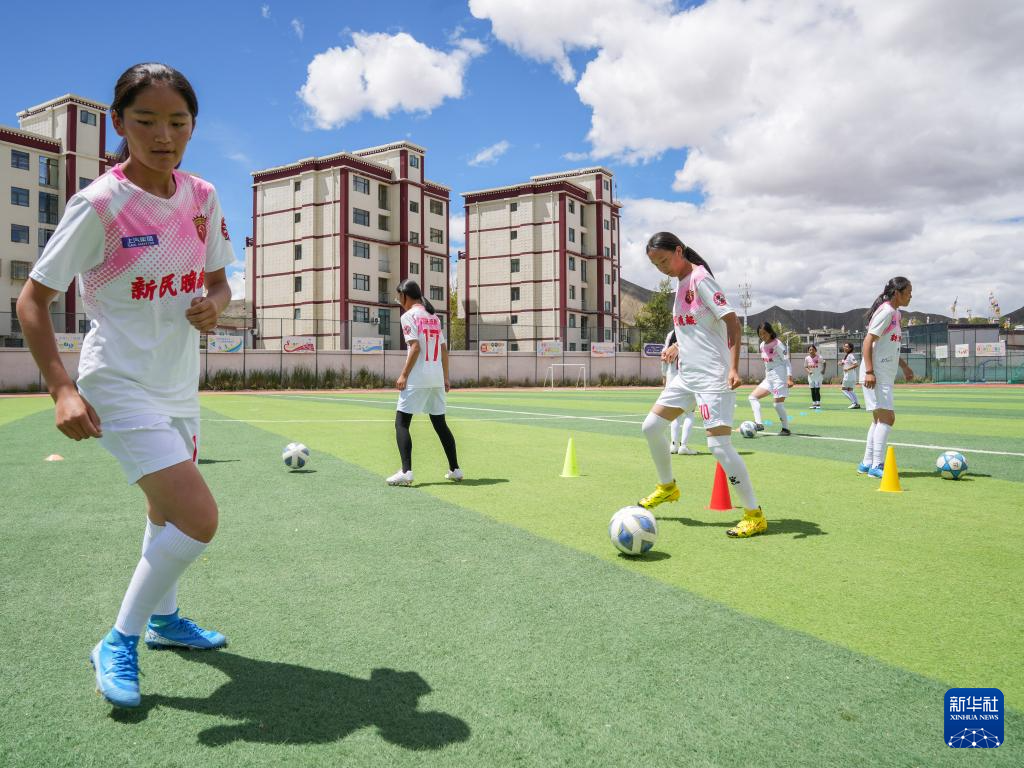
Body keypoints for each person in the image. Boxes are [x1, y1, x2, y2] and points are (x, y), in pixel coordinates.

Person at [15, 63, 235, 708]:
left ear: (193, 126)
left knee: (164, 513)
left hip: (177, 385)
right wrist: (60, 387)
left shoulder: (202, 196)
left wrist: (216, 304)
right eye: (146, 121)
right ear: (119, 123)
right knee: (198, 518)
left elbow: (220, 279)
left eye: (178, 122)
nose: (163, 135)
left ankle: (165, 621)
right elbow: (34, 300)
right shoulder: (101, 204)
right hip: (115, 380)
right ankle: (119, 639)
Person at [637, 232, 766, 538]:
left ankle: (754, 514)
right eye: (656, 265)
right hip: (687, 375)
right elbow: (698, 328)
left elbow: (731, 321)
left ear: (679, 251)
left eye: (665, 260)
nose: (662, 269)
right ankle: (667, 487)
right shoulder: (681, 284)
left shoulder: (700, 279)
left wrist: (734, 368)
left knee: (718, 446)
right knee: (651, 427)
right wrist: (678, 347)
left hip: (712, 376)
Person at [386, 279, 463, 486]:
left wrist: (403, 375)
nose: (398, 301)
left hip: (418, 378)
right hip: (436, 377)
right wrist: (446, 377)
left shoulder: (408, 316)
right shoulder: (434, 317)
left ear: (404, 295)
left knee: (401, 423)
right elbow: (444, 350)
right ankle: (455, 469)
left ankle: (406, 471)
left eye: (398, 297)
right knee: (440, 424)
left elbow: (415, 347)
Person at [858, 277, 915, 478]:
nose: (911, 295)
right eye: (908, 291)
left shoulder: (896, 314)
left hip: (882, 373)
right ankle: (877, 466)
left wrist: (905, 367)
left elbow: (889, 346)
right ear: (897, 293)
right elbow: (867, 342)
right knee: (888, 418)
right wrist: (870, 372)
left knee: (878, 419)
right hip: (877, 373)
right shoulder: (887, 312)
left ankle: (866, 463)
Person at [748, 322, 795, 435]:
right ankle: (758, 424)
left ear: (770, 332)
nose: (762, 336)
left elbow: (787, 362)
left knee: (777, 404)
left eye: (764, 333)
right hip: (769, 377)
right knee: (752, 397)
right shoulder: (761, 345)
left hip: (780, 376)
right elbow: (767, 364)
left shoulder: (777, 344)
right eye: (760, 334)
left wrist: (789, 378)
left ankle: (785, 429)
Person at [662, 328, 697, 455]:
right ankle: (684, 446)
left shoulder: (670, 333)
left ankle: (673, 445)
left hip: (672, 375)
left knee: (675, 414)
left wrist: (664, 376)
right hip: (687, 375)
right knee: (689, 413)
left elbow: (664, 356)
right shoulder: (692, 331)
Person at [839, 342, 861, 408]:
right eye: (844, 346)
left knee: (843, 389)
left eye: (846, 347)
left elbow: (856, 364)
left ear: (850, 348)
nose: (844, 348)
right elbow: (844, 363)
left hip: (849, 375)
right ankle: (856, 403)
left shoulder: (850, 355)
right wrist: (841, 363)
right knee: (850, 390)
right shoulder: (847, 355)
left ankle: (854, 403)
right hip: (850, 375)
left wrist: (847, 368)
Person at [804, 344, 826, 409]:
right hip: (811, 376)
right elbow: (805, 366)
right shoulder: (807, 358)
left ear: (815, 350)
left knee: (817, 390)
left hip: (818, 376)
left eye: (813, 349)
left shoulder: (820, 357)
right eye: (810, 350)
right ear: (808, 351)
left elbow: (824, 362)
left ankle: (818, 403)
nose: (811, 351)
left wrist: (823, 370)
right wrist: (809, 371)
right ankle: (814, 404)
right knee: (812, 390)